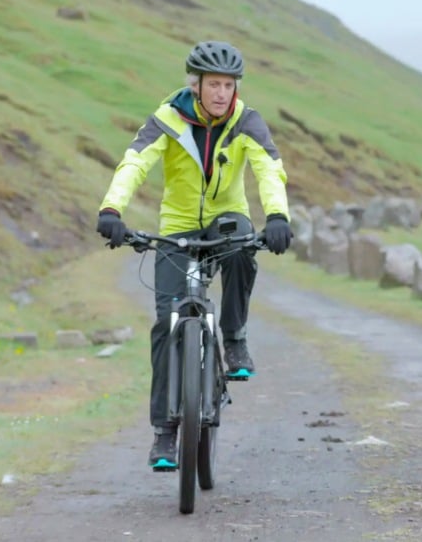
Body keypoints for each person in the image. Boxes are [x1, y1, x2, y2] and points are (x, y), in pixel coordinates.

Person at [95, 40, 293, 468]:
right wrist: (112, 209)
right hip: (178, 226)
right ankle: (165, 434)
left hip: (226, 219)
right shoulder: (167, 120)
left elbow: (268, 168)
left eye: (229, 85)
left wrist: (277, 215)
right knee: (167, 325)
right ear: (196, 85)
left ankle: (235, 339)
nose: (222, 93)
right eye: (214, 85)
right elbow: (134, 163)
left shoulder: (247, 121)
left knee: (242, 247)